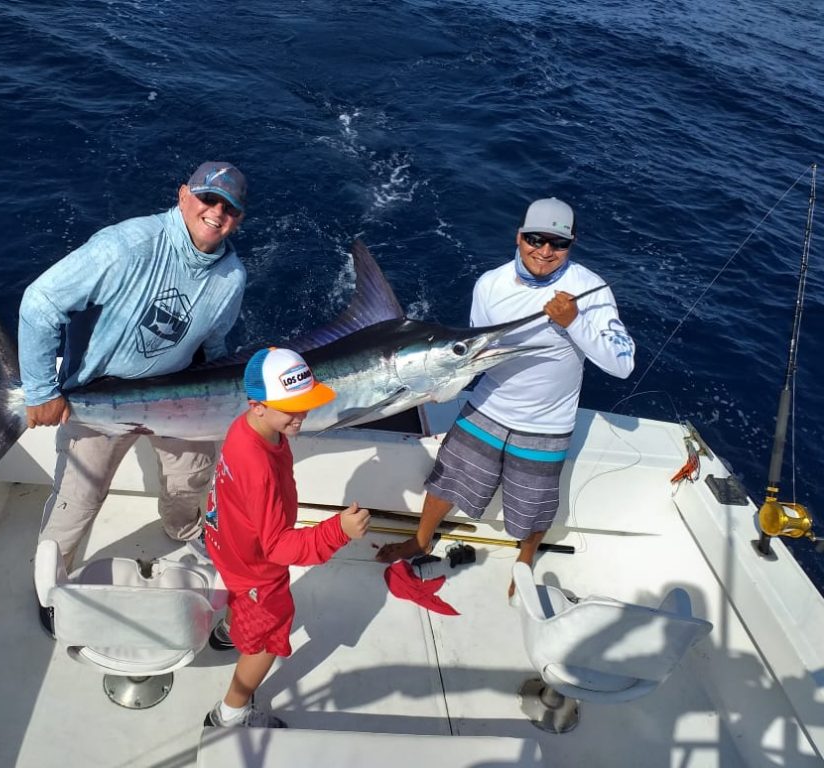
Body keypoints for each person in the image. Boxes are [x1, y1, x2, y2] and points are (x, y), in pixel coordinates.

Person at [375, 198, 635, 597]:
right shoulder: (490, 284)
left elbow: (623, 364)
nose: (545, 251)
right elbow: (472, 354)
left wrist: (574, 322)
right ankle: (422, 540)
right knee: (446, 480)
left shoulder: (590, 290)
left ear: (572, 244)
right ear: (519, 236)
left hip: (546, 425)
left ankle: (525, 561)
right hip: (488, 406)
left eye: (558, 243)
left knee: (533, 507)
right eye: (535, 239)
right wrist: (443, 387)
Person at [19, 161, 248, 587]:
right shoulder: (128, 246)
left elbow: (214, 350)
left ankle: (184, 532)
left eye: (229, 207)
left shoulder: (231, 278)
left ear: (239, 219)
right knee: (79, 499)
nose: (216, 212)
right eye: (207, 198)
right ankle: (51, 585)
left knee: (191, 480)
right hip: (95, 399)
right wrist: (39, 391)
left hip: (179, 397)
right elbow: (39, 304)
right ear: (183, 195)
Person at [203, 347, 371, 729]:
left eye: (305, 404)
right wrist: (337, 531)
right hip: (256, 568)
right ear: (257, 404)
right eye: (290, 408)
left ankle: (229, 630)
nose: (301, 415)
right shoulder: (258, 465)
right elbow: (277, 547)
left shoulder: (246, 427)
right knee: (268, 639)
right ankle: (230, 712)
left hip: (226, 543)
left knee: (241, 600)